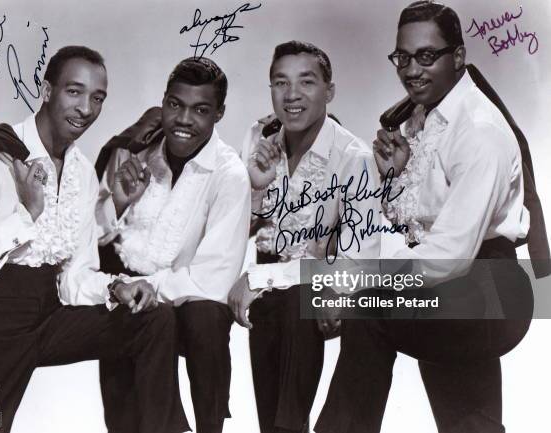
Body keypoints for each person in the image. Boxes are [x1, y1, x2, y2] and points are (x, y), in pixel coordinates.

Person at [314, 2, 547, 432]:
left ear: (458, 57)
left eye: (426, 56)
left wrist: (357, 280)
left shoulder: (478, 131)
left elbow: (447, 257)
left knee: (371, 313)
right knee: (469, 421)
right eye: (402, 57)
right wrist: (396, 176)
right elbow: (420, 222)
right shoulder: (429, 117)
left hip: (488, 291)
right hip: (456, 288)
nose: (411, 70)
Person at [0, 46, 189, 433]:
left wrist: (118, 288)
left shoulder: (82, 172)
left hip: (52, 311)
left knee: (152, 317)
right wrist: (26, 214)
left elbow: (75, 275)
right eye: (74, 92)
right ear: (46, 90)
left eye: (97, 98)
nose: (86, 108)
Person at [228, 41, 381, 433]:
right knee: (269, 306)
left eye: (306, 82)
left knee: (295, 300)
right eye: (280, 82)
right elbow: (235, 229)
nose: (291, 95)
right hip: (265, 286)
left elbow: (360, 261)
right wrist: (257, 189)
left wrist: (265, 279)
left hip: (324, 286)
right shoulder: (259, 137)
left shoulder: (354, 158)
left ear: (329, 91)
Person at [95, 57, 251, 433]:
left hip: (190, 301)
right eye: (175, 105)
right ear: (163, 101)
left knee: (205, 316)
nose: (183, 120)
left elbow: (212, 279)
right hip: (128, 290)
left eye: (200, 110)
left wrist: (152, 288)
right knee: (136, 313)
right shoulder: (135, 151)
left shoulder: (230, 175)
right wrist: (118, 201)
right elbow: (92, 241)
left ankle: (208, 425)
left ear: (219, 113)